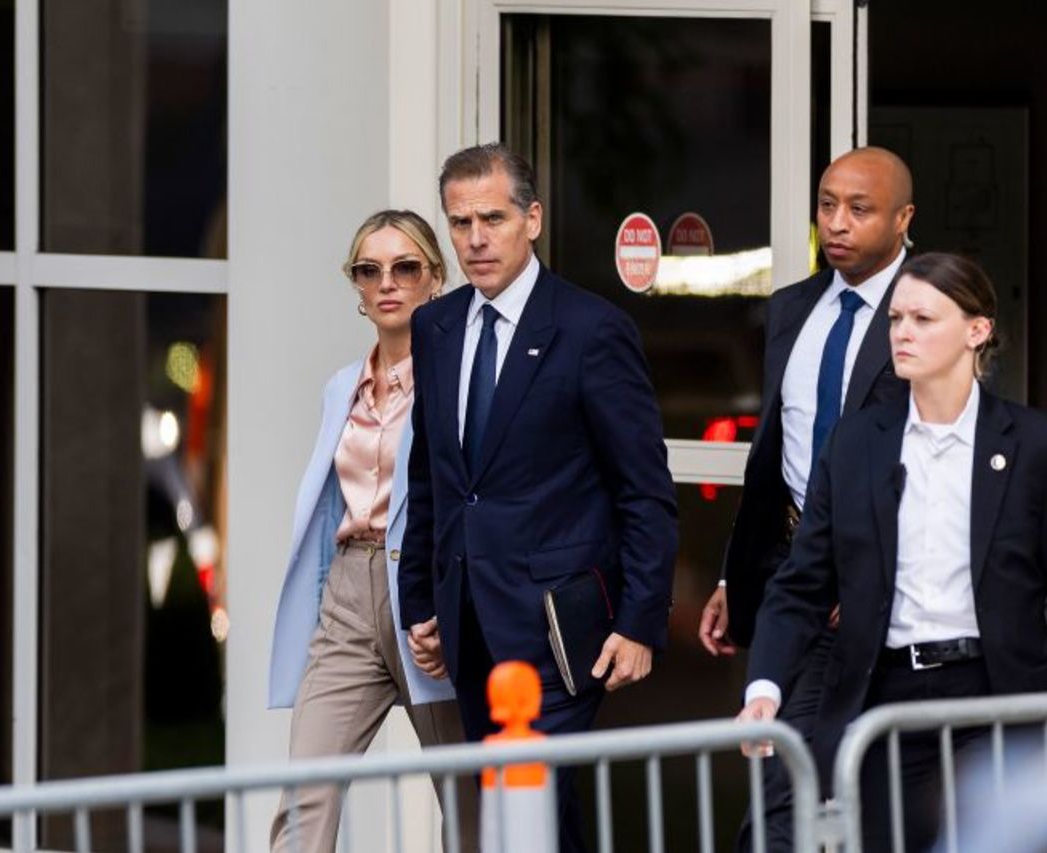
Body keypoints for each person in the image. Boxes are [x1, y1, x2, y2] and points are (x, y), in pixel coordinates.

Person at [397, 143, 678, 853]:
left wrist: (642, 618)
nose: (475, 239)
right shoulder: (435, 326)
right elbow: (432, 474)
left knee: (516, 802)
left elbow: (643, 487)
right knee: (539, 812)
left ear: (533, 219)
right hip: (466, 620)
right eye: (460, 222)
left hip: (558, 627)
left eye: (492, 218)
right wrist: (420, 601)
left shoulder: (591, 330)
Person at [738, 252, 1047, 852]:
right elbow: (802, 583)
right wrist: (764, 691)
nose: (903, 332)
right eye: (896, 318)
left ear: (976, 331)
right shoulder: (857, 443)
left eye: (924, 319)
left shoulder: (1030, 445)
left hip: (996, 695)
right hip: (886, 701)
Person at [696, 146, 915, 849]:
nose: (837, 222)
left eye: (860, 208)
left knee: (862, 793)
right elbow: (772, 459)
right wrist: (737, 569)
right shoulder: (793, 308)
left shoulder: (927, 311)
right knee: (782, 787)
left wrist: (884, 566)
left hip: (884, 595)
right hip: (794, 574)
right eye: (827, 205)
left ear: (904, 218)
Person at [267, 210, 477, 853]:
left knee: (467, 799)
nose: (387, 282)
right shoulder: (341, 389)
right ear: (356, 288)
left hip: (429, 596)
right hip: (352, 594)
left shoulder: (461, 380)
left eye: (405, 267)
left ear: (434, 279)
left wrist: (448, 602)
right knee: (306, 790)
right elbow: (334, 506)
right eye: (369, 270)